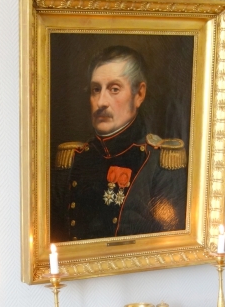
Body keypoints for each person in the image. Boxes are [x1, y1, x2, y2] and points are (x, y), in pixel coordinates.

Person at [51, 46, 188, 241]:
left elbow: (170, 246)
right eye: (95, 90)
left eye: (114, 89)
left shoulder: (160, 163)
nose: (101, 102)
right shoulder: (73, 160)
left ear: (139, 95)